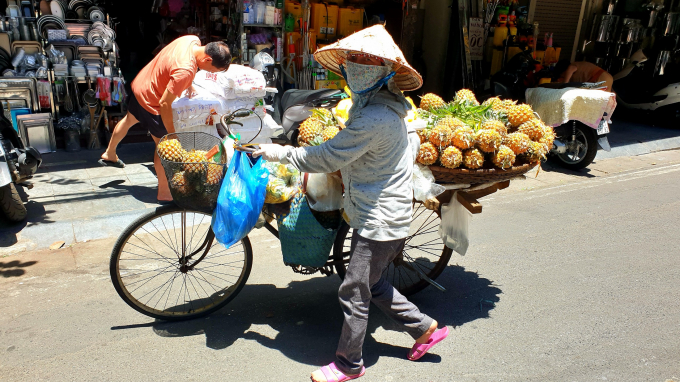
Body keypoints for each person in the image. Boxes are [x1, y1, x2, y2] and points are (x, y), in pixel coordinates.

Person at [252, 25, 448, 382]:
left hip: (380, 218)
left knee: (354, 290)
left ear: (387, 72)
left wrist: (276, 151)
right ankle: (425, 328)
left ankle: (348, 364)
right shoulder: (375, 104)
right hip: (378, 210)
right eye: (354, 59)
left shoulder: (376, 116)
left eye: (369, 61)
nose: (359, 65)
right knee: (369, 284)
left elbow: (326, 158)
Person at [99, 36, 231, 202]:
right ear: (207, 59)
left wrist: (188, 83)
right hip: (152, 100)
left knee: (128, 120)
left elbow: (173, 64)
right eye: (211, 69)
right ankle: (164, 193)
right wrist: (172, 134)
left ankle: (109, 153)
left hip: (142, 84)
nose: (208, 72)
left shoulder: (191, 40)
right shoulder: (186, 70)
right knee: (164, 146)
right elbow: (164, 104)